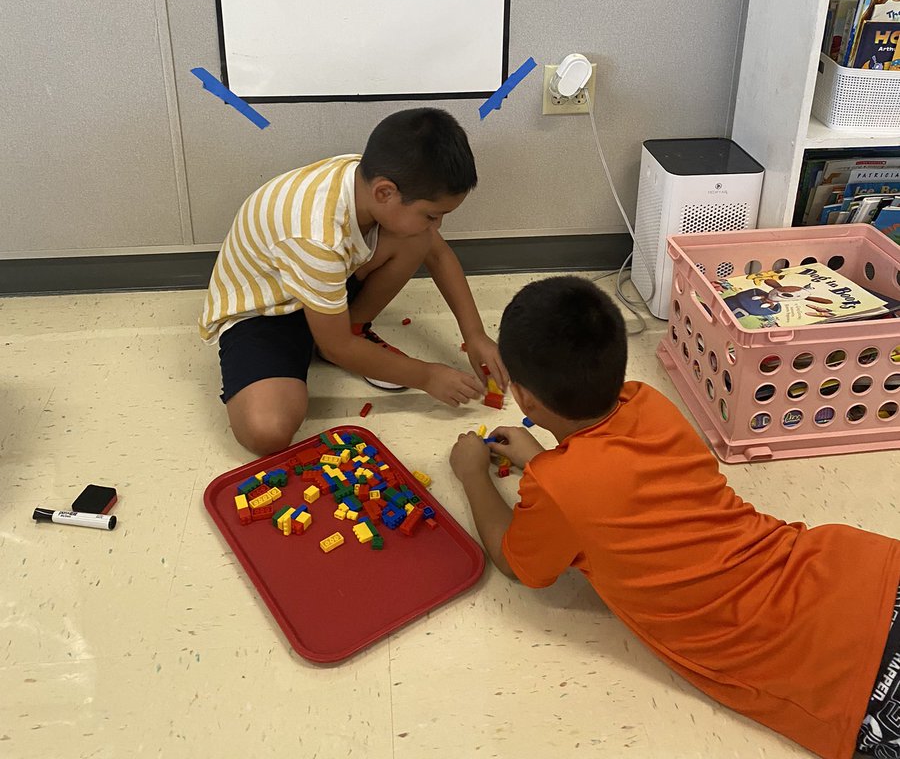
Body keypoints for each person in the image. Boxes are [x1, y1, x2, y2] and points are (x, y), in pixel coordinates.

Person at [449, 276, 900, 759]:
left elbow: (515, 563)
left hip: (850, 680)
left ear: (523, 398)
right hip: (861, 569)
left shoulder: (556, 488)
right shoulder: (646, 401)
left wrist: (473, 474)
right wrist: (542, 462)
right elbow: (611, 475)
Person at [201, 108, 505, 456]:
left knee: (418, 238)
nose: (437, 225)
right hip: (266, 312)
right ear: (385, 192)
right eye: (432, 215)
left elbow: (437, 254)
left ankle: (350, 328)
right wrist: (426, 376)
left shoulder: (370, 178)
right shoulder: (316, 236)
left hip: (323, 286)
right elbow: (337, 345)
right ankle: (330, 337)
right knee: (266, 432)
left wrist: (475, 335)